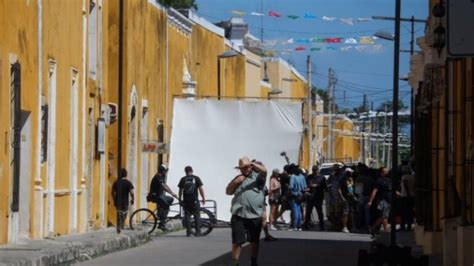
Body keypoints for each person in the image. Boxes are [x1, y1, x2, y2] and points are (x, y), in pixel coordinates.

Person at [226, 157, 267, 266]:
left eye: (246, 167)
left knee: (254, 241)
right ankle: (235, 263)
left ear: (251, 167)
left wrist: (252, 164)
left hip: (254, 215)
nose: (244, 170)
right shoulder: (238, 178)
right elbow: (228, 191)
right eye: (242, 168)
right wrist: (235, 182)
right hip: (239, 215)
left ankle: (254, 262)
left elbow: (265, 171)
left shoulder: (259, 177)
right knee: (237, 241)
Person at [178, 166, 206, 237]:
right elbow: (200, 189)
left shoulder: (183, 179)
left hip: (186, 201)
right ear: (192, 171)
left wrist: (180, 199)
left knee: (187, 216)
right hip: (195, 201)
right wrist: (203, 198)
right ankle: (198, 232)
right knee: (197, 216)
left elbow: (180, 191)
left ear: (185, 171)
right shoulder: (196, 178)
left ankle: (189, 232)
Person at [149, 164, 179, 231]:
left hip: (159, 196)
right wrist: (172, 193)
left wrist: (172, 193)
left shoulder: (160, 177)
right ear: (162, 171)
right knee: (166, 207)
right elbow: (164, 187)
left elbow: (165, 185)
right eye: (165, 171)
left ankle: (160, 213)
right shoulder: (157, 177)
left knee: (170, 199)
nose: (165, 172)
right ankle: (162, 224)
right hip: (155, 196)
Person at [368, 167, 392, 237]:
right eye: (386, 171)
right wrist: (370, 201)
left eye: (388, 171)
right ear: (382, 173)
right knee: (384, 216)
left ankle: (373, 227)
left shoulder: (390, 180)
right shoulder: (379, 181)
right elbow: (374, 191)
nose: (387, 172)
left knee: (384, 216)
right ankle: (385, 231)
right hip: (382, 200)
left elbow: (392, 190)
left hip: (389, 200)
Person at [303, 165, 326, 231]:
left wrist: (317, 185)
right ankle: (306, 225)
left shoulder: (322, 177)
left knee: (320, 212)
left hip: (318, 197)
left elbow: (324, 187)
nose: (314, 172)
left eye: (315, 171)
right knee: (308, 212)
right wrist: (307, 190)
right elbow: (306, 186)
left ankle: (321, 226)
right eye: (313, 171)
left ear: (318, 170)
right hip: (310, 197)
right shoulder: (309, 177)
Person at [112, 168, 134, 234]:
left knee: (119, 213)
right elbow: (132, 192)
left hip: (117, 200)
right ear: (126, 175)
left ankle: (119, 225)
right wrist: (133, 199)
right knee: (124, 213)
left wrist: (114, 198)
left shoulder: (116, 182)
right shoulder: (128, 183)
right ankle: (121, 225)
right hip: (125, 201)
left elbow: (112, 192)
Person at [354, 163, 375, 231]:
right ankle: (367, 225)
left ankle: (359, 225)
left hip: (361, 196)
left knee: (359, 212)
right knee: (367, 212)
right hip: (369, 196)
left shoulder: (359, 178)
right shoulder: (371, 179)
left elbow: (357, 190)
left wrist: (357, 196)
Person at [288, 164, 307, 231]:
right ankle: (299, 226)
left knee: (295, 211)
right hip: (301, 195)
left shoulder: (293, 177)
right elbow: (305, 187)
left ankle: (294, 226)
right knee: (299, 210)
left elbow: (291, 187)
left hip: (294, 195)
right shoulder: (302, 177)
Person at [327, 164, 344, 230]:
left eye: (335, 169)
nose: (334, 171)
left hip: (339, 197)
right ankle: (334, 225)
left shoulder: (341, 176)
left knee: (339, 212)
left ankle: (339, 225)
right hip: (333, 197)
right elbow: (328, 184)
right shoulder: (332, 177)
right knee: (333, 212)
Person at [339, 168, 356, 233]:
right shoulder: (342, 179)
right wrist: (342, 197)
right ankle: (344, 227)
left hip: (351, 197)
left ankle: (353, 226)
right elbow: (339, 189)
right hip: (345, 197)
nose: (351, 173)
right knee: (345, 212)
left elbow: (352, 187)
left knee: (352, 212)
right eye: (350, 172)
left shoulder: (351, 179)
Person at [400, 165, 415, 231]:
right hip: (412, 195)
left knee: (404, 211)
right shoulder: (413, 177)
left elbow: (405, 183)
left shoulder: (404, 176)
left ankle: (403, 225)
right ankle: (409, 225)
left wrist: (408, 193)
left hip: (405, 196)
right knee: (410, 211)